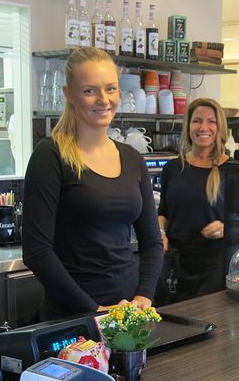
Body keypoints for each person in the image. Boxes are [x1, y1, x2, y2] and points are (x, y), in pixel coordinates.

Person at [22, 47, 163, 320]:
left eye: (110, 89)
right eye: (90, 91)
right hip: (73, 316)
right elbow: (37, 251)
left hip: (128, 312)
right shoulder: (51, 155)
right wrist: (94, 311)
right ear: (69, 95)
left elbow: (152, 242)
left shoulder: (133, 159)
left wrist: (143, 297)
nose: (103, 99)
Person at [155, 98, 230, 304]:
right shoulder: (173, 168)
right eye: (197, 121)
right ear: (188, 126)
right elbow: (163, 211)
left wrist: (227, 227)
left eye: (211, 122)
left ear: (220, 127)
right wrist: (160, 233)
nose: (203, 127)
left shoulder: (232, 170)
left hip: (214, 267)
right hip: (176, 264)